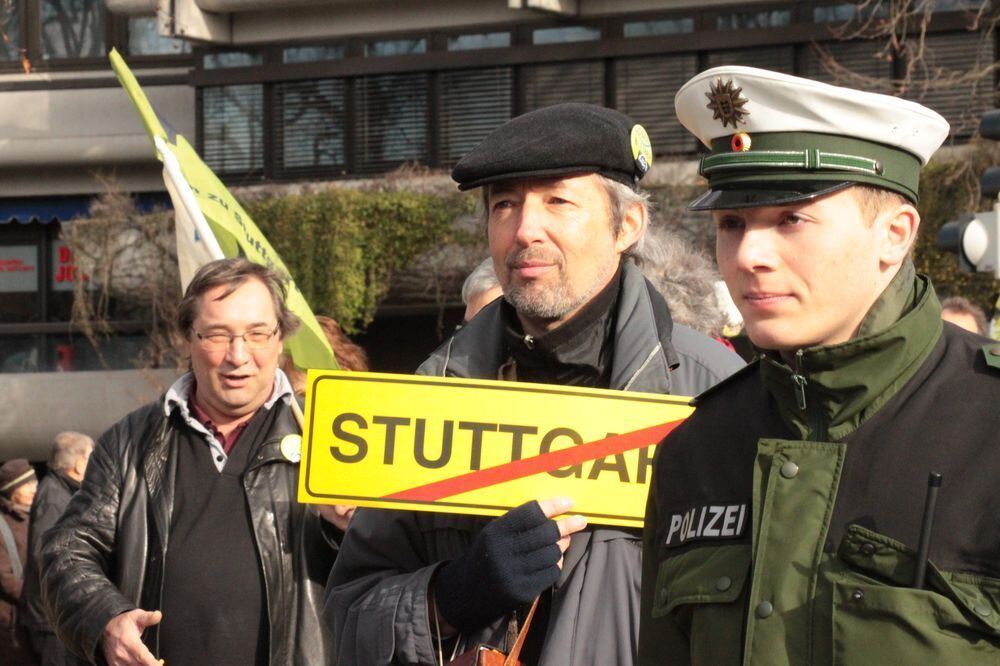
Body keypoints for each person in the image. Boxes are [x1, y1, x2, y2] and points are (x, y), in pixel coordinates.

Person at [327, 103, 745, 666]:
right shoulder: (433, 395)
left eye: (558, 202)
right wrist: (451, 596)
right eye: (505, 205)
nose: (525, 230)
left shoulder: (715, 396)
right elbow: (349, 616)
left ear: (627, 226)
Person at [640, 66, 1000, 664]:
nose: (749, 255)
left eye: (791, 219)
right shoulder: (698, 448)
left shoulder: (989, 427)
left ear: (894, 234)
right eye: (732, 223)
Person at [41, 259, 337, 666]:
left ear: (280, 338)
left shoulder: (331, 437)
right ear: (186, 339)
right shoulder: (129, 443)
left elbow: (388, 572)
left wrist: (351, 529)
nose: (238, 355)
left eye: (257, 333)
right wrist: (104, 617)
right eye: (217, 335)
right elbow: (67, 551)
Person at [21, 432, 93, 666]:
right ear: (80, 463)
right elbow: (47, 553)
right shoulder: (54, 497)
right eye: (91, 458)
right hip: (51, 616)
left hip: (57, 612)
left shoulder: (60, 491)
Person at [0, 458, 38, 666]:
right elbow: (4, 577)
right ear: (12, 490)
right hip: (12, 621)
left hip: (33, 613)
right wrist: (35, 598)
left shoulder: (35, 515)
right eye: (28, 485)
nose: (35, 489)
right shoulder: (3, 524)